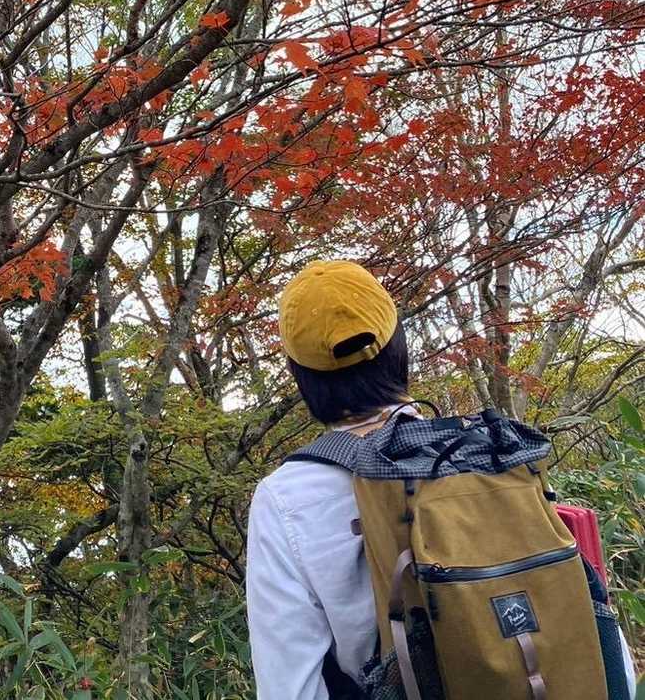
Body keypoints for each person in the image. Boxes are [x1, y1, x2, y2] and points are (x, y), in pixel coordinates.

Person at [244, 259, 639, 700]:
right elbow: (608, 655)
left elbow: (289, 687)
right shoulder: (491, 451)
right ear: (399, 349)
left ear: (302, 376)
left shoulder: (285, 499)